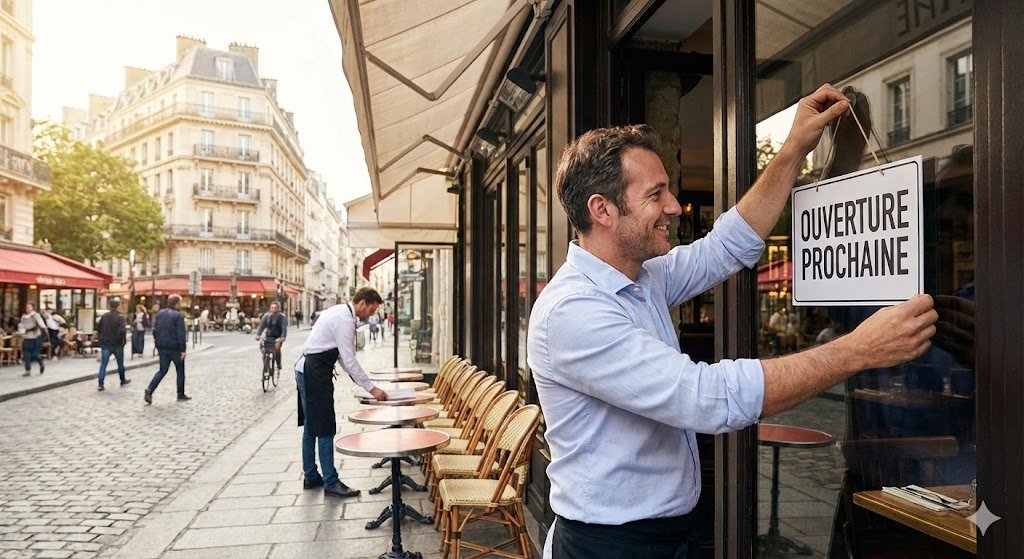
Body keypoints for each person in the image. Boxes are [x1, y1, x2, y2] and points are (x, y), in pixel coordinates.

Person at [527, 84, 937, 559]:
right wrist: (858, 350)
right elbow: (705, 398)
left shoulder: (643, 278)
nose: (674, 206)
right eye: (656, 194)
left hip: (668, 534)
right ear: (603, 210)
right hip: (611, 545)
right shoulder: (573, 312)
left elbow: (727, 244)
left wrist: (794, 148)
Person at [295, 288, 389, 498]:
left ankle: (311, 476)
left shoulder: (337, 311)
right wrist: (372, 389)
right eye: (372, 309)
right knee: (326, 427)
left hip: (305, 369)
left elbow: (342, 357)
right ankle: (330, 481)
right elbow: (349, 358)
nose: (372, 315)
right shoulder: (345, 320)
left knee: (311, 427)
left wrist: (359, 381)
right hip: (315, 373)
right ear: (362, 303)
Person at [144, 294, 189, 404]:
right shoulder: (178, 316)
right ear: (177, 303)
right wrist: (183, 349)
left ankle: (150, 389)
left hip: (162, 347)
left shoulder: (160, 314)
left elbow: (155, 330)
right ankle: (180, 394)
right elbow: (180, 333)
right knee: (180, 370)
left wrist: (157, 343)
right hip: (175, 348)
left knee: (162, 370)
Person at [96, 298, 130, 391]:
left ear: (109, 306)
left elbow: (98, 328)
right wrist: (123, 341)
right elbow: (123, 331)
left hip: (106, 343)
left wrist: (101, 338)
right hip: (117, 344)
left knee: (103, 364)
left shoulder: (104, 316)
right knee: (120, 363)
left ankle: (100, 383)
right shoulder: (120, 317)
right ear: (118, 306)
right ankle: (122, 379)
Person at [255, 301, 287, 373]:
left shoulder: (282, 317)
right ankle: (266, 367)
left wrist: (282, 338)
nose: (274, 309)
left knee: (277, 348)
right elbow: (262, 326)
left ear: (278, 308)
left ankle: (278, 364)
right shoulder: (267, 316)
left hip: (277, 337)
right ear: (270, 308)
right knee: (264, 350)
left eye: (275, 308)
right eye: (272, 308)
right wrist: (258, 334)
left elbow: (284, 328)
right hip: (269, 336)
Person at [18, 303, 47, 376]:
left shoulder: (36, 315)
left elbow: (41, 324)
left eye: (29, 307)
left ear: (32, 308)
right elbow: (21, 325)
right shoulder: (24, 316)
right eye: (27, 307)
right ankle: (28, 370)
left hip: (36, 336)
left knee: (35, 354)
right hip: (27, 337)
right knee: (26, 354)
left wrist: (43, 327)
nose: (28, 309)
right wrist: (22, 331)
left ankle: (41, 363)